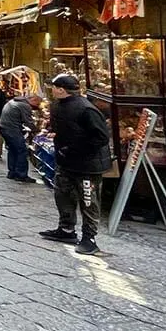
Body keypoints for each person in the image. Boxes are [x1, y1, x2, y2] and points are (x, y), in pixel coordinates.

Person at [40, 73, 112, 255]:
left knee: (88, 201)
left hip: (87, 164)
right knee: (62, 195)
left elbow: (101, 137)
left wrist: (76, 148)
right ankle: (66, 230)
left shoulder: (86, 109)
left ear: (61, 89)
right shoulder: (57, 105)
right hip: (66, 161)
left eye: (54, 87)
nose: (52, 90)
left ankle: (89, 238)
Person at [0, 90, 41, 182]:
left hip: (4, 127)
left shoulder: (14, 101)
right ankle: (21, 174)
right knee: (22, 151)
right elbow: (28, 121)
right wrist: (37, 130)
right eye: (38, 103)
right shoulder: (24, 105)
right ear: (33, 100)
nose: (37, 106)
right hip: (11, 129)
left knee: (13, 150)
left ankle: (12, 172)